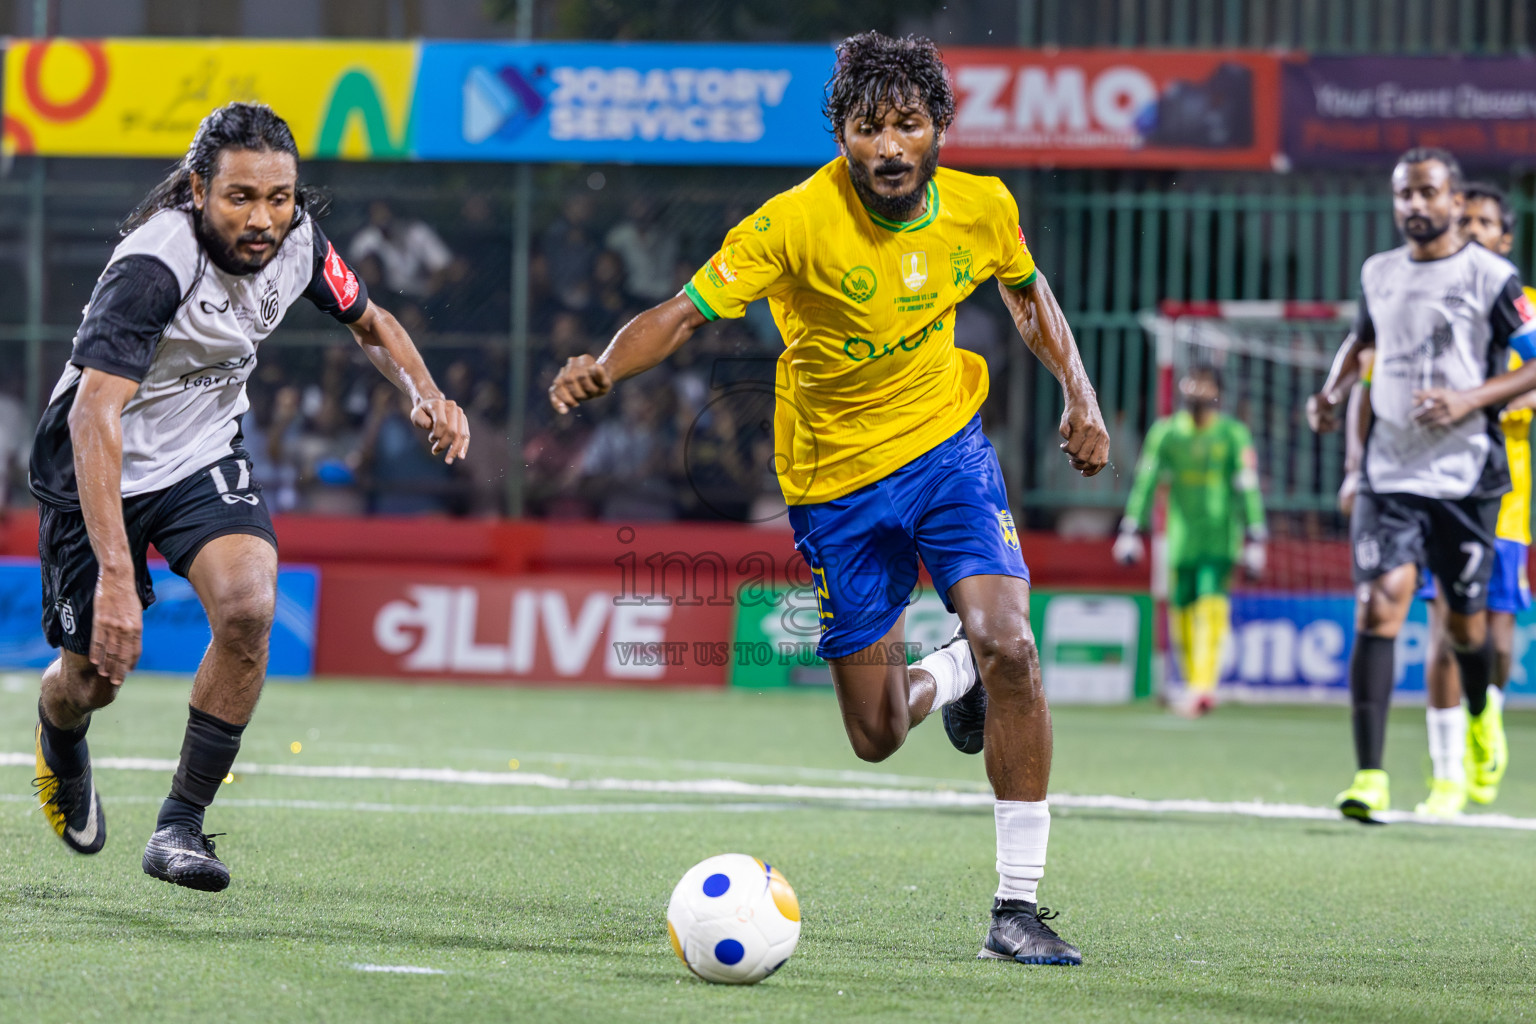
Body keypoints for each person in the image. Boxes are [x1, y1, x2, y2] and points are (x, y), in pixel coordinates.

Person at [550, 32, 1109, 965]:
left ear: (937, 131)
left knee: (1014, 638)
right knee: (879, 733)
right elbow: (685, 312)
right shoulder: (791, 222)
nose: (889, 147)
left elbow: (1027, 293)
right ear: (841, 134)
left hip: (946, 451)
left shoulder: (981, 207)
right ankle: (956, 673)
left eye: (909, 125)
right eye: (867, 127)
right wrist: (605, 367)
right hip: (834, 486)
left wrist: (1079, 394)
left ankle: (1017, 907)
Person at [28, 102, 468, 890]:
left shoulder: (299, 242)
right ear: (198, 190)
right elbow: (96, 415)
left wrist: (425, 391)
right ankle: (58, 737)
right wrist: (121, 581)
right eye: (241, 198)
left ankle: (180, 829)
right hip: (96, 466)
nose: (264, 218)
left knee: (248, 607)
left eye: (280, 196)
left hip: (200, 455)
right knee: (89, 682)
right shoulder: (154, 266)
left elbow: (370, 323)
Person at [1309, 148, 1536, 824]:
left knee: (1468, 632)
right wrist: (1332, 392)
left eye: (1427, 193)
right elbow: (1362, 341)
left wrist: (1472, 399)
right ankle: (1370, 775)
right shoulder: (1378, 273)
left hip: (1466, 476)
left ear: (1452, 199)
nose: (1414, 205)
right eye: (1403, 194)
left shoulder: (1494, 278)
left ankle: (1477, 717)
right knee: (1381, 604)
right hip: (1390, 471)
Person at [1113, 365, 1267, 717]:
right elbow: (1146, 481)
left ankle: (1203, 687)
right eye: (1193, 381)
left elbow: (1248, 486)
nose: (1197, 389)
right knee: (1181, 607)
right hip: (1181, 538)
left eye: (1205, 383)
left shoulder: (1232, 434)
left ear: (1218, 391)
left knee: (1211, 606)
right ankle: (1188, 680)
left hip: (1220, 536)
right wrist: (1131, 527)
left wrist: (1256, 534)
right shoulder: (1167, 433)